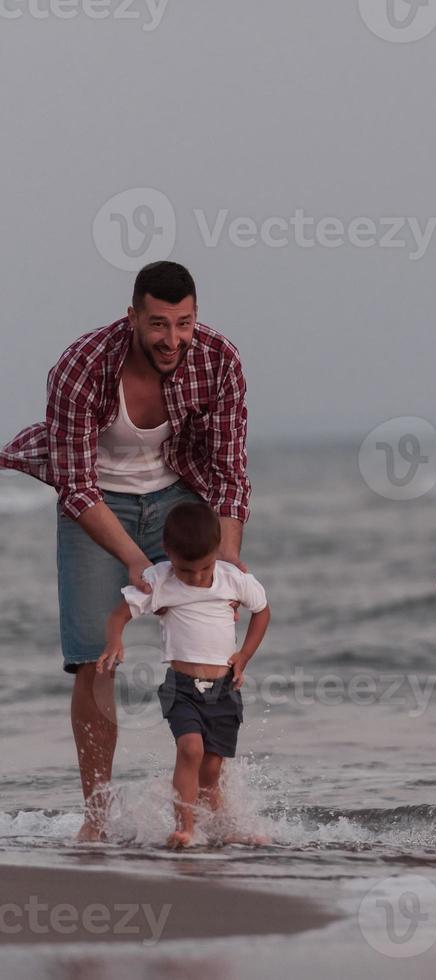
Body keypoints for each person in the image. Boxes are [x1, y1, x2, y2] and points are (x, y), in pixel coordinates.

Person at [0, 261, 252, 841]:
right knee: (94, 659)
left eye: (184, 323)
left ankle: (212, 805)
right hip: (97, 504)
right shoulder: (82, 366)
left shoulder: (219, 360)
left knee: (211, 654)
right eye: (159, 324)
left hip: (178, 494)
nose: (172, 339)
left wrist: (229, 560)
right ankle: (97, 818)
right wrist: (136, 561)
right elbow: (76, 484)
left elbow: (230, 471)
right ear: (132, 315)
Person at [98, 503, 270, 849]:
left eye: (204, 568)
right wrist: (115, 641)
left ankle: (222, 828)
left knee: (211, 772)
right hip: (182, 687)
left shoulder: (232, 579)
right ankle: (185, 827)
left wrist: (244, 656)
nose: (194, 578)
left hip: (224, 689)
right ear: (168, 552)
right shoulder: (160, 580)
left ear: (217, 551)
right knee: (190, 749)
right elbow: (118, 616)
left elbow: (262, 611)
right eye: (185, 570)